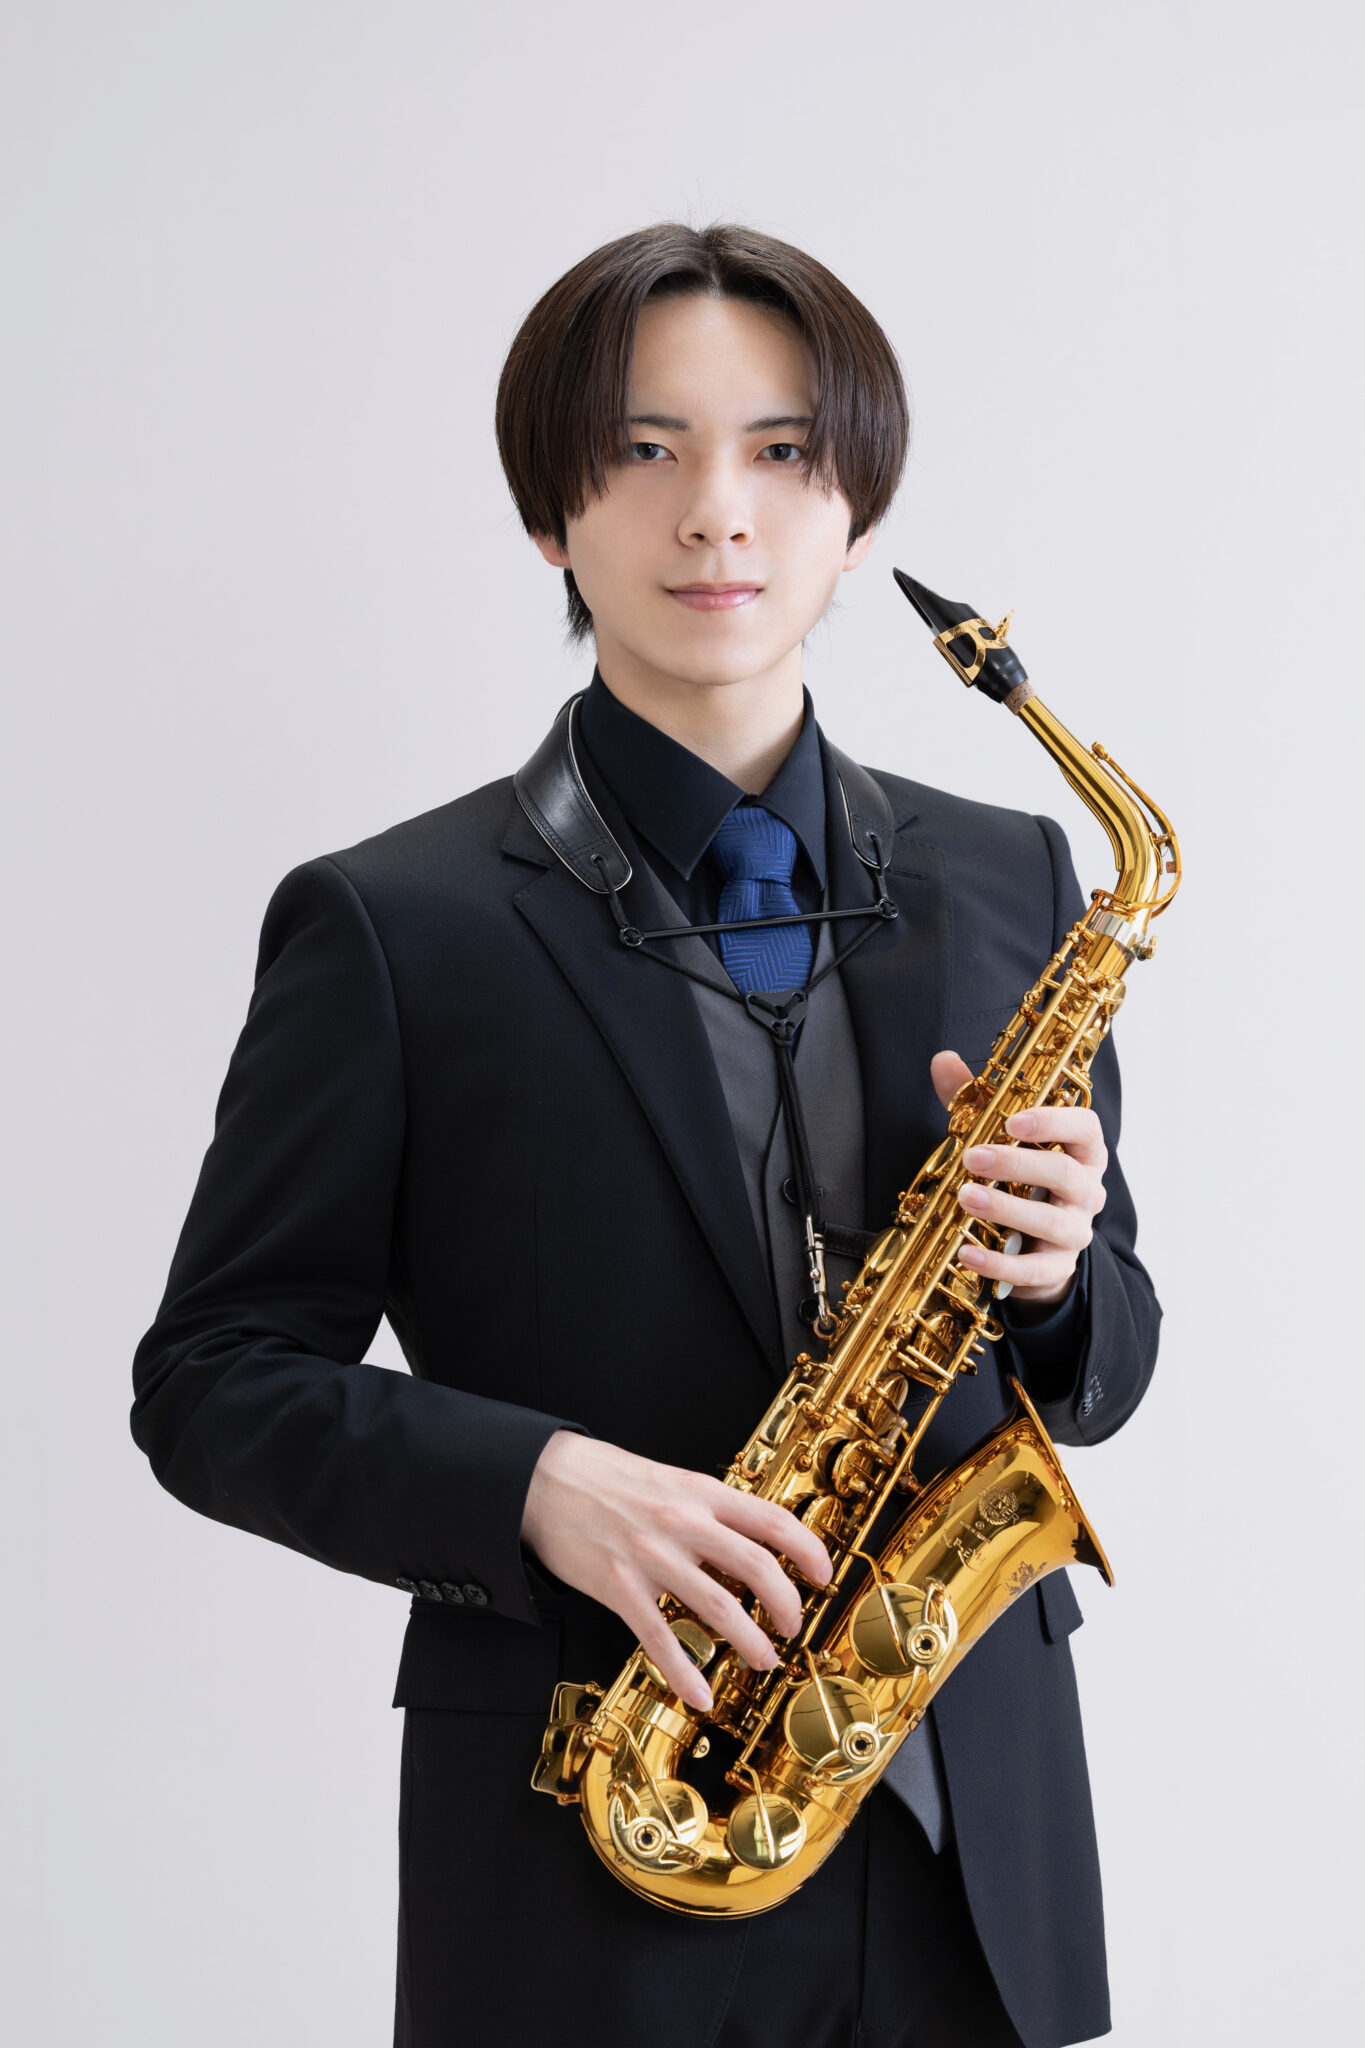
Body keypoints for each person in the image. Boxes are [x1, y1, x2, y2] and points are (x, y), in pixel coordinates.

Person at [131, 223, 1160, 2048]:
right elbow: (211, 1381)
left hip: (976, 1875)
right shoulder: (394, 924)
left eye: (781, 452)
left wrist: (1062, 1276)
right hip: (592, 1863)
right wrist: (534, 1484)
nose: (717, 515)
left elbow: (1101, 1370)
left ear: (854, 507)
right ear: (552, 510)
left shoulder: (1014, 875)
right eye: (644, 450)